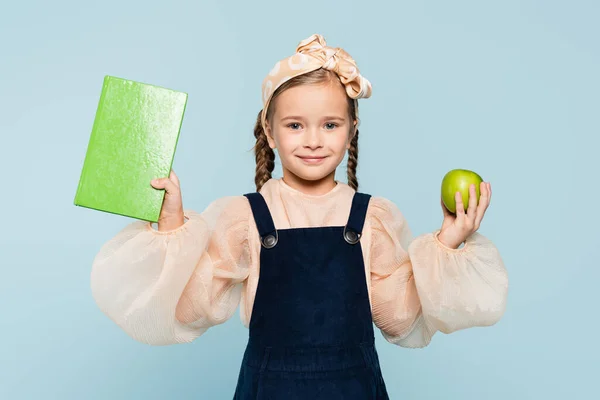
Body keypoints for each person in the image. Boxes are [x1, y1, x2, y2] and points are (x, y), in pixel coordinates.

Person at [90, 33, 509, 399]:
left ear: (352, 129)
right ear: (269, 132)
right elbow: (188, 308)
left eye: (329, 125)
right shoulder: (246, 218)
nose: (313, 140)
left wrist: (449, 241)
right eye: (295, 125)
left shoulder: (372, 218)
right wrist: (171, 227)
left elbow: (398, 318)